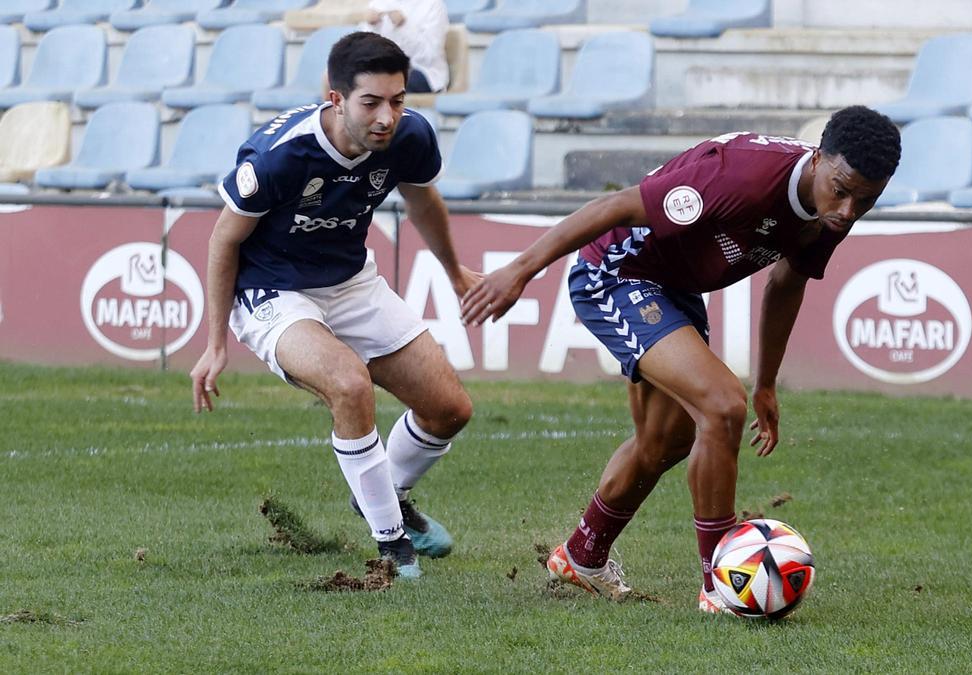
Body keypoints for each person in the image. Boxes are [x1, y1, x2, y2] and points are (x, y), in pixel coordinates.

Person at [461, 106, 902, 613]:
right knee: (721, 407)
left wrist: (766, 382)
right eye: (842, 190)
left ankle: (582, 555)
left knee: (666, 441)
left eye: (866, 200)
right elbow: (619, 207)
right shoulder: (740, 175)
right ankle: (720, 581)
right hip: (617, 271)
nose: (848, 210)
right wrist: (520, 269)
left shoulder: (833, 211)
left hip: (675, 289)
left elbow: (786, 282)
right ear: (819, 157)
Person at [190, 32, 477, 578]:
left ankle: (382, 493)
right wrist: (215, 345)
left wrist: (454, 270)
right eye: (371, 102)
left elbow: (423, 201)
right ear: (335, 98)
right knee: (348, 386)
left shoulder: (410, 136)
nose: (386, 117)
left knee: (449, 409)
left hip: (350, 282)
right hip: (274, 291)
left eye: (397, 101)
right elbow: (223, 241)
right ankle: (393, 545)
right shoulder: (278, 156)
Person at [360, 0, 450, 94]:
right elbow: (366, 53)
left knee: (389, 82)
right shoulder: (378, 3)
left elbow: (430, 55)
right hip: (382, 69)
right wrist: (372, 27)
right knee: (354, 78)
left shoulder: (433, 5)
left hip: (423, 72)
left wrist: (404, 27)